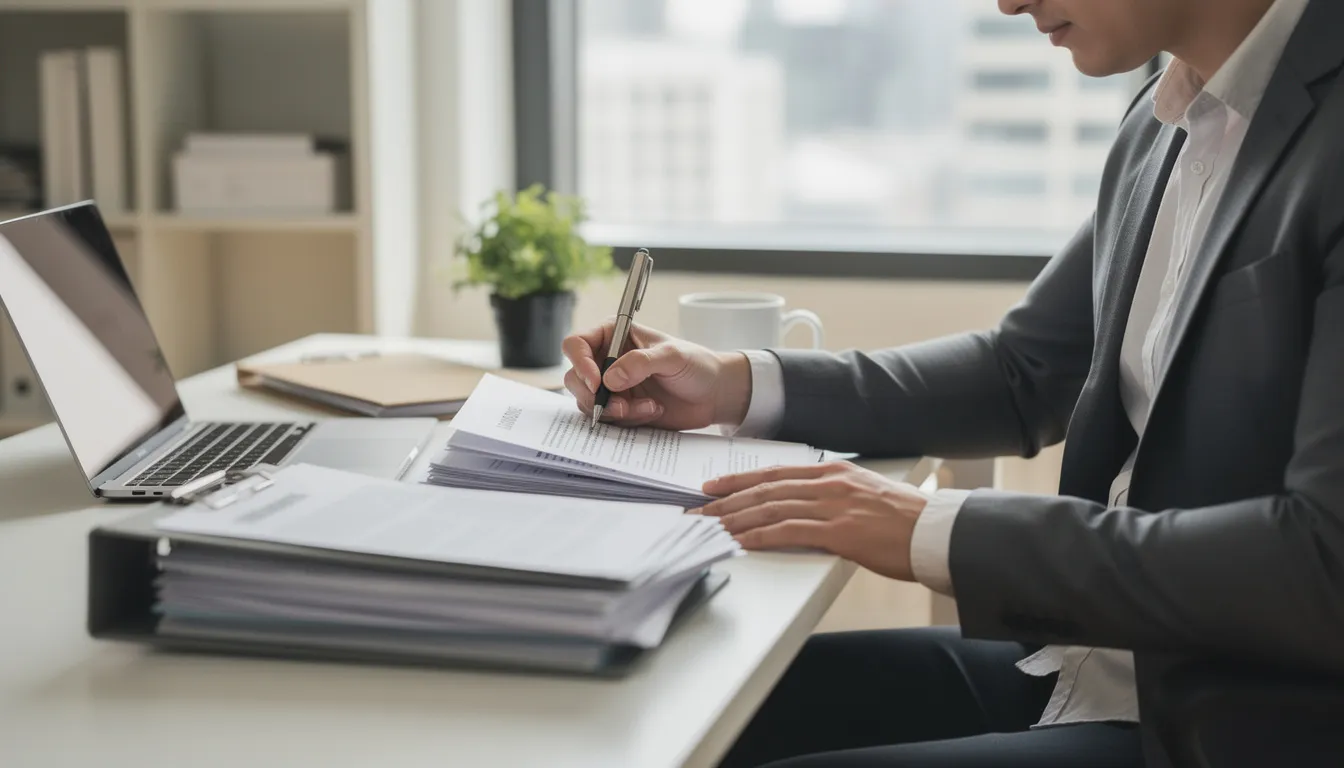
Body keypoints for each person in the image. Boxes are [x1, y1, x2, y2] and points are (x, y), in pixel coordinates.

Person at [561, 0, 1344, 765]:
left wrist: (931, 529)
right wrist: (731, 384)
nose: (1007, 4)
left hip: (1240, 719)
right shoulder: (1167, 119)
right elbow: (1022, 373)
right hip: (1096, 665)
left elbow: (1324, 562)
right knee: (697, 707)